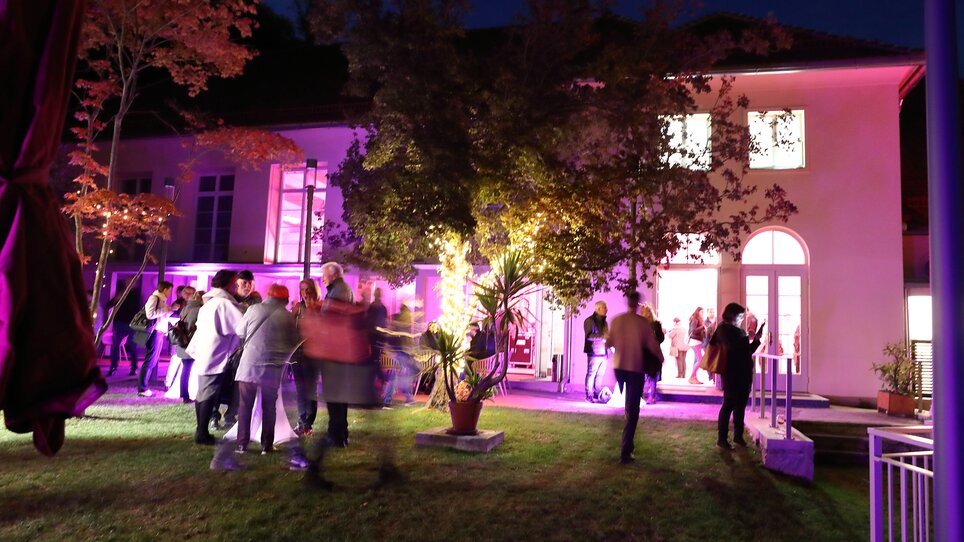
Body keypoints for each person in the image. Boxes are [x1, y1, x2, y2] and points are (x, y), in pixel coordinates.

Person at [233, 284, 299, 454]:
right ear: (284, 299)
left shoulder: (253, 309)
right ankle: (266, 445)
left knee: (244, 406)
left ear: (268, 295)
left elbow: (240, 331)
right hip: (272, 367)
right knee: (269, 407)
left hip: (250, 364)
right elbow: (294, 342)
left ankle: (242, 444)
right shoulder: (287, 316)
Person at [186, 270, 242, 445]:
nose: (236, 286)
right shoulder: (223, 304)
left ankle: (201, 430)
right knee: (209, 393)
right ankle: (202, 432)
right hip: (215, 352)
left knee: (203, 392)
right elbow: (242, 326)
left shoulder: (209, 303)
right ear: (228, 284)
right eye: (235, 283)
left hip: (206, 351)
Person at [606, 291, 663, 465]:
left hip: (619, 367)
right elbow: (652, 345)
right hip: (635, 368)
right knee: (633, 410)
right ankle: (626, 450)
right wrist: (660, 358)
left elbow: (609, 343)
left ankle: (627, 445)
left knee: (629, 408)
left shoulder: (616, 320)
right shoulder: (642, 323)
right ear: (638, 303)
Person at [714, 302, 764, 450]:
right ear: (732, 314)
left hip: (744, 372)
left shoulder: (738, 331)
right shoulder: (723, 329)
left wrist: (755, 339)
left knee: (741, 405)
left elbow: (747, 350)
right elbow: (731, 347)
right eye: (740, 315)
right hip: (731, 373)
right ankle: (722, 439)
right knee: (729, 404)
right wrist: (747, 337)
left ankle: (738, 436)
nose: (742, 318)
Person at [318, 261, 357, 446]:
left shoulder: (339, 290)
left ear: (333, 274)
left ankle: (336, 435)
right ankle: (340, 433)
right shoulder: (340, 289)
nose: (322, 278)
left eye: (324, 275)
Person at [292, 278, 322, 436]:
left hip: (313, 354)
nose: (305, 293)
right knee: (300, 390)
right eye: (302, 289)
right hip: (297, 353)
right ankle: (301, 421)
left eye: (308, 289)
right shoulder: (298, 307)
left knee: (310, 389)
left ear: (314, 290)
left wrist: (312, 311)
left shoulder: (320, 307)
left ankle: (308, 424)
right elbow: (290, 327)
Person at [137, 280, 174, 397]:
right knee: (150, 360)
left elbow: (160, 315)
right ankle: (142, 388)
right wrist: (165, 310)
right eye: (170, 290)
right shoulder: (154, 298)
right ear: (165, 289)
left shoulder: (162, 300)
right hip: (154, 332)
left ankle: (144, 387)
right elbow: (150, 314)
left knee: (152, 360)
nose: (170, 292)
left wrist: (170, 310)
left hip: (159, 332)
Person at [106, 279, 142, 377]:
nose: (129, 283)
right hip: (119, 322)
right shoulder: (120, 292)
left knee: (132, 346)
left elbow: (139, 309)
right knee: (116, 346)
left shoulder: (136, 294)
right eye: (127, 281)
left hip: (131, 324)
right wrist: (118, 297)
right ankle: (113, 368)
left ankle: (134, 368)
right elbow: (109, 304)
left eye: (131, 282)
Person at [172, 288, 201, 403]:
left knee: (185, 369)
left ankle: (184, 394)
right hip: (192, 343)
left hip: (183, 343)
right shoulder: (199, 310)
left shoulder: (185, 308)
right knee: (191, 370)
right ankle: (187, 396)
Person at [583, 301, 609, 402]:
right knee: (591, 374)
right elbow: (588, 336)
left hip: (603, 352)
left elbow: (607, 336)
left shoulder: (604, 322)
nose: (607, 309)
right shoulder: (589, 321)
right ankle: (589, 395)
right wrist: (602, 336)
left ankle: (597, 393)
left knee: (600, 374)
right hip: (594, 352)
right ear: (598, 309)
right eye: (605, 308)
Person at [639, 303, 664, 404]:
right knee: (641, 375)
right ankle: (640, 396)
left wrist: (653, 341)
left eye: (643, 311)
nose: (641, 313)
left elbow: (661, 338)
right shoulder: (640, 323)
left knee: (652, 375)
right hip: (643, 353)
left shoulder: (656, 324)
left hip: (653, 354)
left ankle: (651, 396)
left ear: (649, 312)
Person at [688, 307, 706, 384]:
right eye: (701, 312)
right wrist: (703, 327)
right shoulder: (695, 319)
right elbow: (693, 330)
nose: (702, 313)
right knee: (700, 360)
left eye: (703, 312)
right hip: (695, 342)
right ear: (697, 312)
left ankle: (694, 377)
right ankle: (692, 377)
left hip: (697, 341)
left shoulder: (698, 319)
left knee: (697, 360)